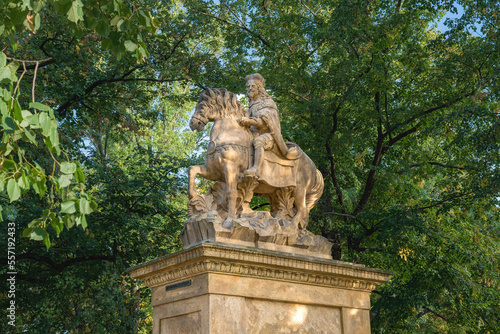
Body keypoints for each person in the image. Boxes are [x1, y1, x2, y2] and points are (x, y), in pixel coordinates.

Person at [239, 73, 299, 177]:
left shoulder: (267, 103)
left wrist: (248, 121)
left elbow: (265, 124)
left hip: (269, 135)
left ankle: (256, 169)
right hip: (252, 133)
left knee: (259, 142)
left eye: (252, 86)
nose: (249, 88)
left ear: (259, 88)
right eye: (248, 86)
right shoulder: (250, 105)